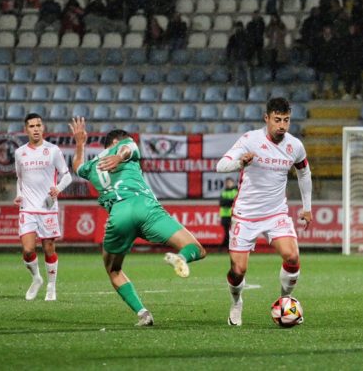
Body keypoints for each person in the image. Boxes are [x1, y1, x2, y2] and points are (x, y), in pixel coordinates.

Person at [69, 117, 206, 326]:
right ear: (116, 142)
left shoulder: (91, 166)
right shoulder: (123, 146)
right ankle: (181, 258)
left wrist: (80, 144)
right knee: (196, 248)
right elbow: (129, 146)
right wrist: (119, 157)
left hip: (119, 215)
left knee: (113, 270)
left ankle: (143, 313)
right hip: (146, 207)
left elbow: (77, 166)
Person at [216, 97, 313, 326]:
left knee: (292, 256)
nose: (282, 125)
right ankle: (236, 302)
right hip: (245, 214)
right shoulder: (250, 140)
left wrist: (307, 208)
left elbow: (304, 173)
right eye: (277, 120)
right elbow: (220, 166)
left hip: (276, 213)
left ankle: (285, 300)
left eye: (286, 120)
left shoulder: (295, 146)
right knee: (238, 270)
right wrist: (240, 162)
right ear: (266, 118)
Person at [14, 113, 72, 301]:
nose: (36, 129)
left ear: (43, 127)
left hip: (47, 207)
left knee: (48, 248)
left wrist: (58, 189)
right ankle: (36, 278)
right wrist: (19, 194)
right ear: (26, 130)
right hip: (28, 208)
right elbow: (19, 178)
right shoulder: (19, 152)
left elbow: (67, 175)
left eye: (38, 125)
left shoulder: (53, 150)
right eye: (32, 126)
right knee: (28, 250)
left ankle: (51, 286)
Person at [219, 177, 238, 251]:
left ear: (233, 183)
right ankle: (228, 246)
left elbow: (235, 201)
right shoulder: (224, 192)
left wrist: (227, 202)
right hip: (225, 215)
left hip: (234, 215)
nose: (228, 184)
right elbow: (221, 203)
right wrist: (230, 201)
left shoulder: (235, 191)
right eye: (227, 182)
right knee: (227, 232)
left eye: (229, 182)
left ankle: (227, 246)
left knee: (233, 232)